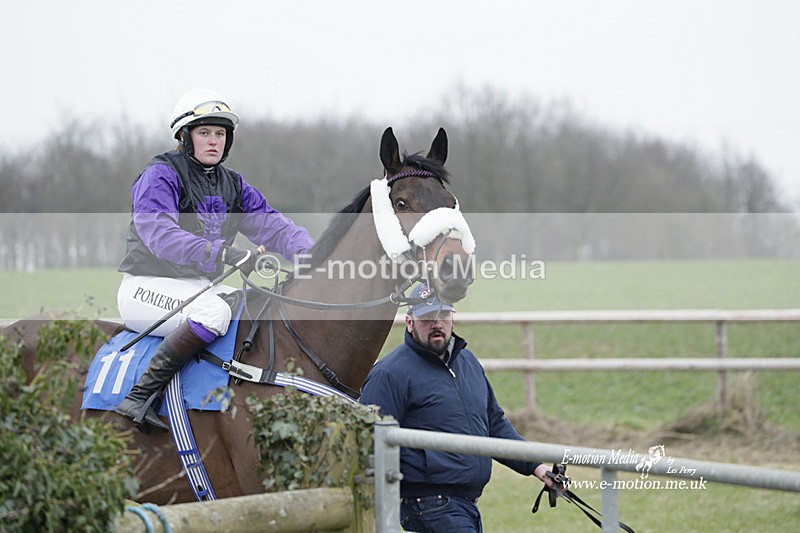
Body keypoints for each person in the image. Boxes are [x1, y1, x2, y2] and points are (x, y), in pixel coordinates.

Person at [116, 88, 314, 432]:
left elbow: (276, 227)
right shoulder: (160, 175)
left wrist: (315, 257)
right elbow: (161, 236)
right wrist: (223, 253)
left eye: (220, 134)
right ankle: (140, 396)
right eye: (204, 132)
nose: (214, 141)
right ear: (184, 136)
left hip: (198, 288)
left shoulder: (233, 185)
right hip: (144, 287)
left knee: (250, 309)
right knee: (214, 312)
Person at [360, 284, 555, 532]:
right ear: (409, 322)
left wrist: (537, 467)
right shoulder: (389, 374)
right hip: (427, 504)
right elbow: (369, 441)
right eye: (427, 318)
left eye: (443, 315)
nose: (437, 324)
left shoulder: (468, 362)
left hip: (466, 504)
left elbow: (494, 424)